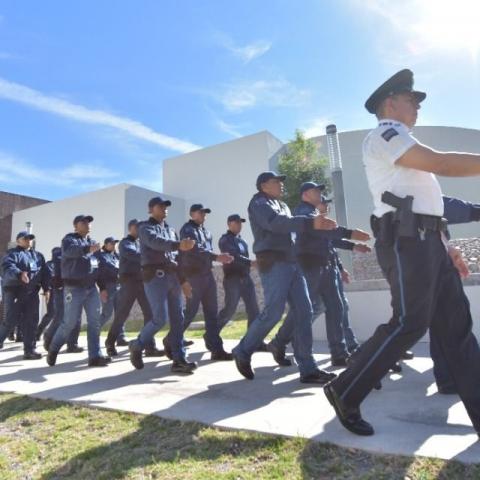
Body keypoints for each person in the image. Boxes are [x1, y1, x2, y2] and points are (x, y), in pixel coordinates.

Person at [324, 69, 480, 437]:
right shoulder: (386, 134)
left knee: (458, 329)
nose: (418, 106)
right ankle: (345, 390)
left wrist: (447, 249)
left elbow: (429, 207)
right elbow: (440, 162)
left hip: (428, 243)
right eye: (413, 99)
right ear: (390, 103)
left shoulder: (406, 145)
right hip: (404, 242)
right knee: (409, 323)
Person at [232, 171, 339, 384]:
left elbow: (290, 226)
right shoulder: (259, 203)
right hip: (274, 263)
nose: (281, 185)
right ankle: (242, 350)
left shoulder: (283, 205)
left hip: (291, 263)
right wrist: (311, 223)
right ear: (264, 186)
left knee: (305, 311)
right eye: (276, 182)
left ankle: (308, 369)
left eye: (281, 182)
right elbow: (276, 223)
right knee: (273, 312)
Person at [269, 183, 370, 367]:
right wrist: (351, 234)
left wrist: (351, 247)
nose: (320, 194)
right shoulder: (303, 212)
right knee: (303, 310)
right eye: (317, 191)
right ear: (306, 194)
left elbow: (330, 240)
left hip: (326, 267)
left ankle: (339, 354)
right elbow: (323, 231)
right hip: (310, 268)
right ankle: (279, 342)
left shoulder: (315, 213)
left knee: (337, 308)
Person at [128, 196, 197, 374]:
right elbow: (157, 243)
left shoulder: (171, 230)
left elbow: (178, 258)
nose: (164, 209)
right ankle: (138, 344)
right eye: (160, 206)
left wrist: (183, 281)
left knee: (178, 319)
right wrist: (178, 245)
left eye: (166, 206)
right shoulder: (145, 227)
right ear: (151, 209)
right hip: (155, 277)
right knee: (159, 318)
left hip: (173, 277)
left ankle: (179, 359)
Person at [430, 195, 480, 394]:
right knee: (452, 319)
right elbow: (441, 205)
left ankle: (449, 379)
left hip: (433, 256)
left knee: (440, 321)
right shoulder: (415, 182)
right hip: (429, 260)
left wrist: (448, 249)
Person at [47, 215, 109, 367]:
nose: (87, 224)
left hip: (91, 289)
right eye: (83, 222)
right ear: (75, 226)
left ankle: (95, 356)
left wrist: (102, 287)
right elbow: (70, 252)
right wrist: (87, 249)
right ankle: (53, 348)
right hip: (74, 288)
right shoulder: (69, 240)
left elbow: (98, 267)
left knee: (94, 322)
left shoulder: (93, 243)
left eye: (88, 222)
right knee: (69, 323)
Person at [179, 204, 234, 360]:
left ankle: (216, 349)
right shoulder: (187, 230)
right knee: (190, 311)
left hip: (207, 275)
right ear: (192, 214)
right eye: (200, 212)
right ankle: (172, 339)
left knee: (212, 313)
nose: (203, 215)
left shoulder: (206, 231)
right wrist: (217, 257)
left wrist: (218, 257)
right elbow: (194, 250)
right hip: (193, 276)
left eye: (205, 213)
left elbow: (206, 250)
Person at [105, 219, 159, 357]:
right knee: (122, 315)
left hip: (142, 282)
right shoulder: (125, 243)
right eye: (138, 228)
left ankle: (149, 346)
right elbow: (135, 256)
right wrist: (151, 256)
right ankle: (110, 342)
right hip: (128, 283)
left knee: (150, 313)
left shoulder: (141, 243)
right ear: (131, 229)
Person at [217, 214, 266, 350]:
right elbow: (233, 257)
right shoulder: (224, 240)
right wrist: (250, 262)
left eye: (240, 222)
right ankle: (212, 335)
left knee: (254, 310)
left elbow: (243, 258)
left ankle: (254, 341)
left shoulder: (242, 241)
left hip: (246, 278)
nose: (239, 225)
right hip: (233, 279)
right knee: (229, 310)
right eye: (236, 222)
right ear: (229, 224)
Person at [0, 231, 48, 359]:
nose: (28, 241)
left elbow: (44, 273)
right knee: (10, 320)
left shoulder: (38, 256)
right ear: (18, 241)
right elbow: (7, 267)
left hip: (31, 293)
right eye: (25, 238)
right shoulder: (12, 254)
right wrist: (19, 274)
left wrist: (47, 288)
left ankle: (29, 350)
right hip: (14, 291)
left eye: (30, 239)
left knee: (31, 321)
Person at [42, 247, 83, 353]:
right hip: (61, 288)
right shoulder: (60, 251)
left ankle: (72, 344)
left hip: (76, 287)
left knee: (77, 317)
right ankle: (49, 337)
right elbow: (58, 266)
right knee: (60, 315)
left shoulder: (82, 251)